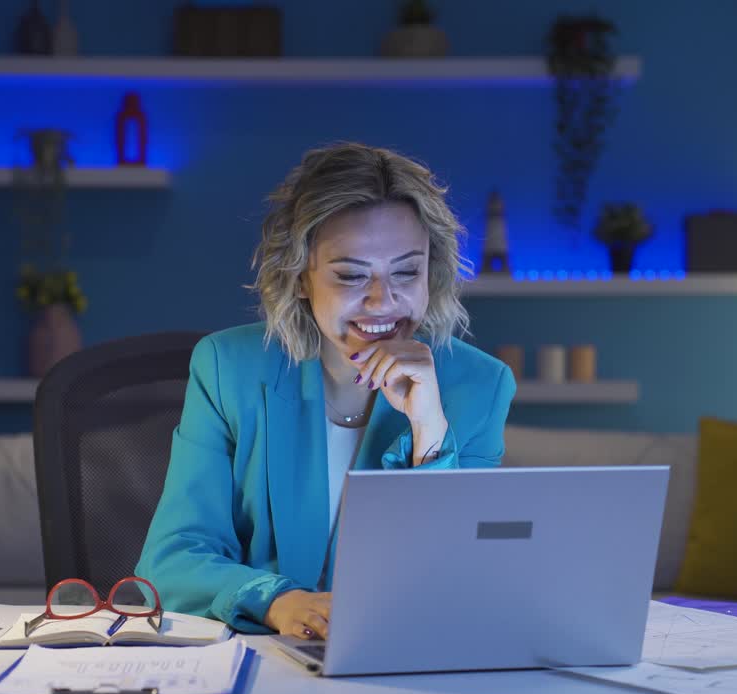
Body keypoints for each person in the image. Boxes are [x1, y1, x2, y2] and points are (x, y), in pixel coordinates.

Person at [136, 141, 516, 641]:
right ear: (299, 277)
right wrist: (277, 602)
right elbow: (172, 559)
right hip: (261, 652)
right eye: (351, 275)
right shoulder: (228, 367)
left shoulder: (481, 385)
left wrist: (430, 431)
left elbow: (465, 576)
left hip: (403, 653)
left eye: (407, 271)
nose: (382, 301)